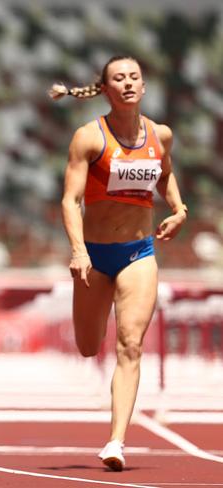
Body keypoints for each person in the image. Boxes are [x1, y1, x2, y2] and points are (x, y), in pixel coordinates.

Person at [50, 55, 187, 471]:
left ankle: (115, 442)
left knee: (131, 345)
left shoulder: (160, 135)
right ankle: (113, 428)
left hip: (138, 253)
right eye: (118, 79)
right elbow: (71, 199)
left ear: (143, 87)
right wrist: (78, 250)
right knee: (90, 347)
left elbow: (163, 173)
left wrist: (179, 209)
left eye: (134, 77)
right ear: (106, 90)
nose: (128, 84)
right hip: (94, 256)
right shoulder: (89, 138)